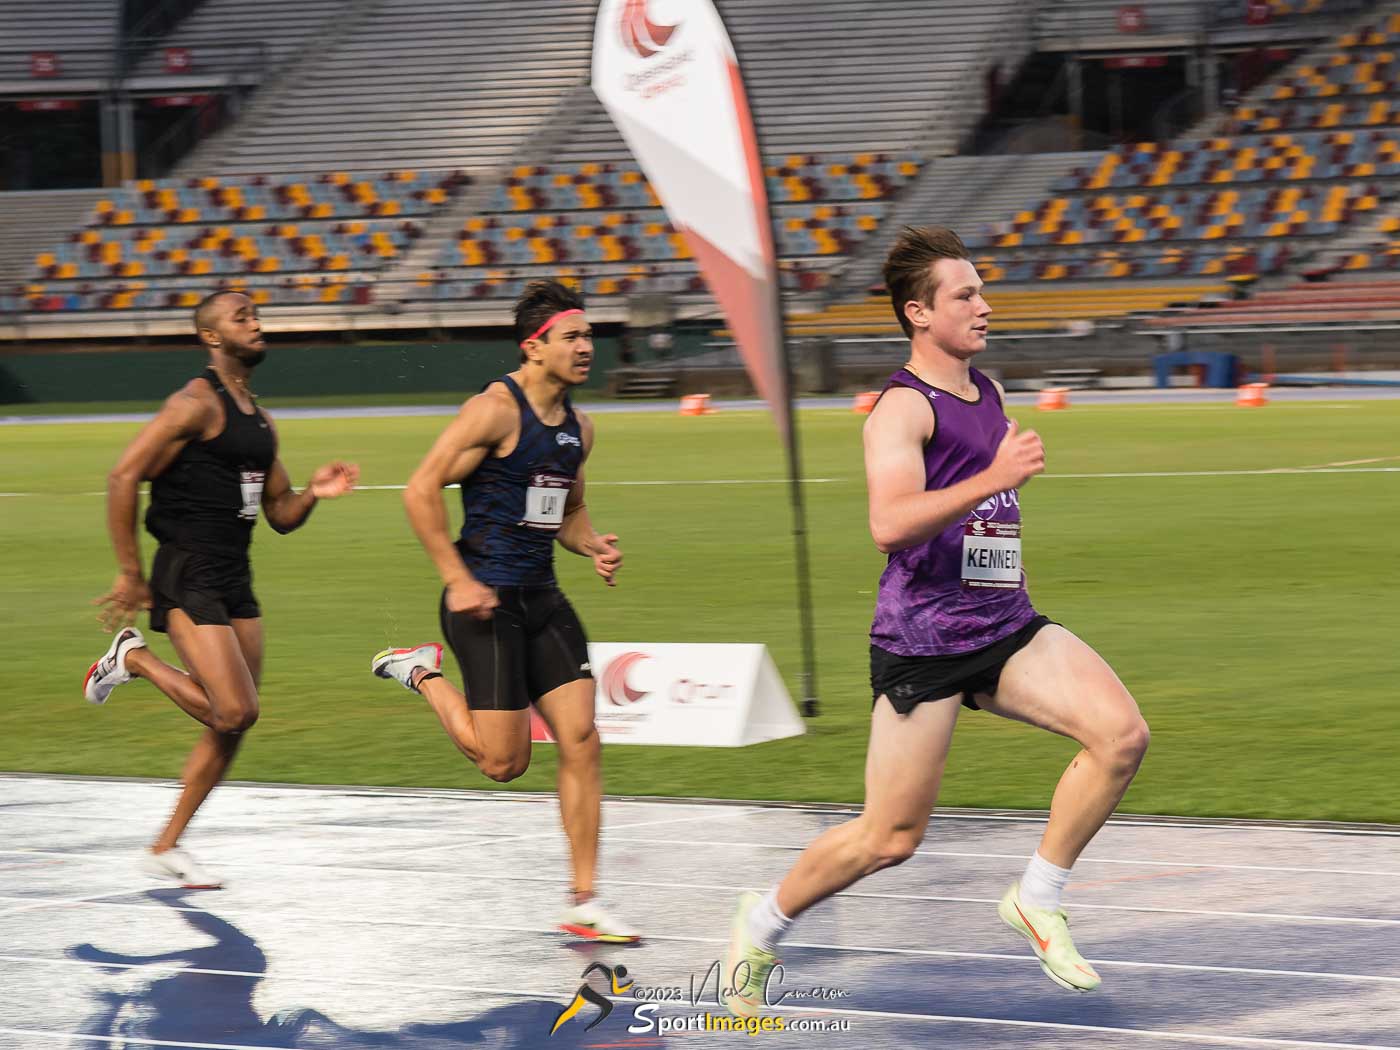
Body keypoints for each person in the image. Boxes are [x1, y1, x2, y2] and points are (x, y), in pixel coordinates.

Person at [721, 227, 1151, 1014]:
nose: (985, 306)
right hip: (924, 643)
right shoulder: (898, 409)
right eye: (966, 295)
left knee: (1122, 735)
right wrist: (995, 475)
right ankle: (761, 923)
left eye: (982, 290)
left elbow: (984, 511)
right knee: (888, 839)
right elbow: (890, 523)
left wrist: (999, 513)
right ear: (919, 313)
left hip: (1004, 624)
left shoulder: (982, 391)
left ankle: (1037, 897)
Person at [371, 279, 638, 943]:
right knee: (503, 764)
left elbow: (566, 513)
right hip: (482, 602)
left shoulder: (581, 428)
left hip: (543, 596)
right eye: (572, 337)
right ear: (534, 346)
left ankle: (584, 900)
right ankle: (420, 673)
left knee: (582, 740)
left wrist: (593, 545)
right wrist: (456, 579)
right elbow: (419, 490)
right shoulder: (493, 410)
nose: (585, 348)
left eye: (588, 336)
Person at [84, 290, 358, 889]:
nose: (257, 324)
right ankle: (133, 658)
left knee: (232, 724)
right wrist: (131, 572)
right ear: (212, 337)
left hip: (235, 575)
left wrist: (315, 492)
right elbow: (123, 474)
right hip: (188, 571)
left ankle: (166, 846)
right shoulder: (194, 403)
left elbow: (280, 513)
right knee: (234, 708)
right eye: (243, 318)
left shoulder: (257, 418)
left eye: (257, 315)